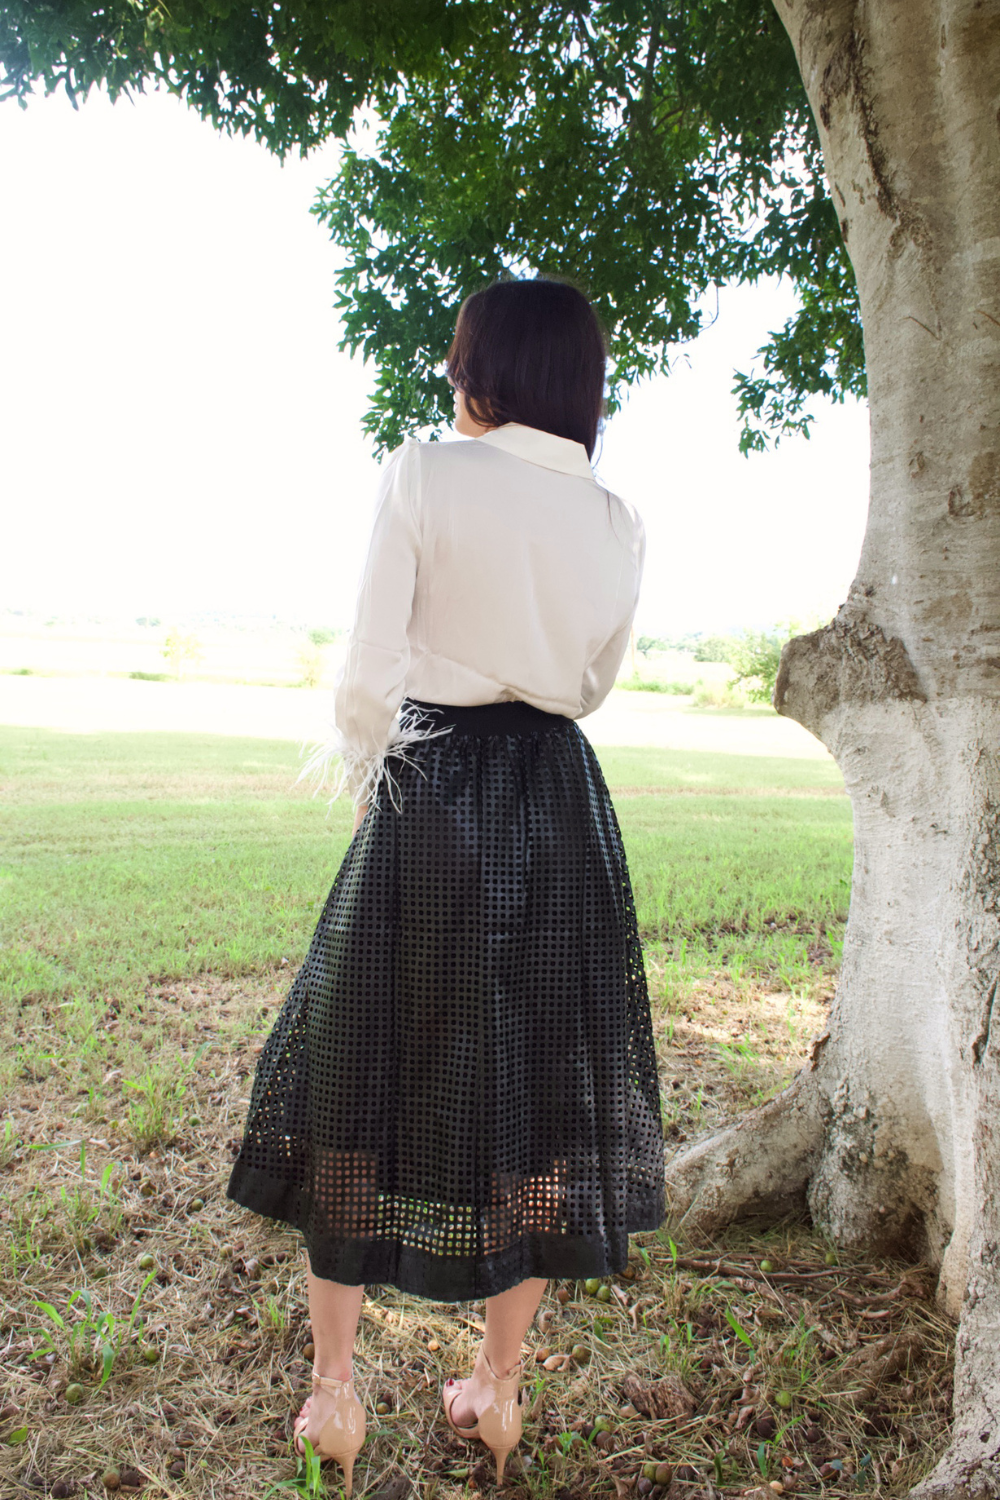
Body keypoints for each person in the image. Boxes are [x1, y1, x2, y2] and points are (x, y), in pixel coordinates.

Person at [226, 275, 665, 1493]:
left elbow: (367, 671)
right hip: (558, 801)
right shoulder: (620, 521)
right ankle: (498, 1389)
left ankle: (333, 1394)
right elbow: (590, 682)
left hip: (431, 784)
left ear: (483, 370)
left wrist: (378, 777)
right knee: (536, 1088)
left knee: (361, 1065)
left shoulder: (423, 471)